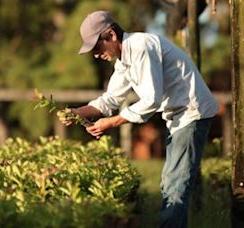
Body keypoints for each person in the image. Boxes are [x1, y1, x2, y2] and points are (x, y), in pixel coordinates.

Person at [57, 10, 219, 228]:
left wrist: (111, 122)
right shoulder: (123, 60)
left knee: (175, 187)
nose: (95, 54)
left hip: (191, 113)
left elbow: (151, 100)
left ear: (111, 35)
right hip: (177, 116)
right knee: (171, 185)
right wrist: (77, 113)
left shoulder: (141, 46)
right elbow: (111, 99)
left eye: (97, 47)